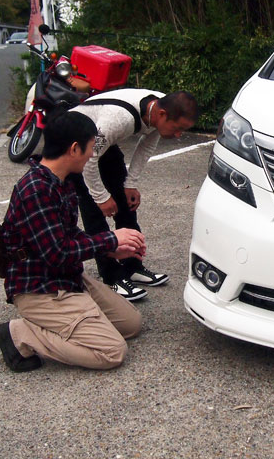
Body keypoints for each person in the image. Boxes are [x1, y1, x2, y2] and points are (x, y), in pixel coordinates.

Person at [0, 111, 147, 372]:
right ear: (75, 149)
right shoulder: (36, 190)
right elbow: (57, 253)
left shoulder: (61, 182)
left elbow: (70, 234)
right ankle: (19, 334)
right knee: (111, 352)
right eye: (90, 147)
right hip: (40, 289)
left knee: (131, 324)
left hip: (67, 278)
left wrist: (112, 250)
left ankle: (78, 316)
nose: (92, 155)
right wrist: (111, 239)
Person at [68, 89, 198, 301]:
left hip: (102, 142)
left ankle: (132, 267)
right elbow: (89, 161)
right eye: (178, 129)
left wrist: (130, 184)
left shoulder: (159, 110)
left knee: (126, 206)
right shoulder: (118, 119)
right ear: (163, 114)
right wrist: (101, 197)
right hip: (77, 143)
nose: (178, 135)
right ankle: (111, 276)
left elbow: (145, 149)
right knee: (94, 212)